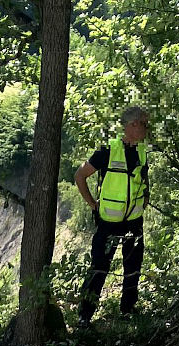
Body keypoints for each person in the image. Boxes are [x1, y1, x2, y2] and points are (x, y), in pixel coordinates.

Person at [73, 106, 150, 326]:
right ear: (132, 125)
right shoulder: (108, 150)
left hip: (134, 221)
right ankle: (84, 316)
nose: (147, 129)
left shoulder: (142, 151)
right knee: (99, 268)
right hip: (108, 222)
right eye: (144, 124)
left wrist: (146, 198)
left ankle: (128, 310)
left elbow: (144, 179)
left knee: (133, 266)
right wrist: (93, 204)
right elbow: (80, 175)